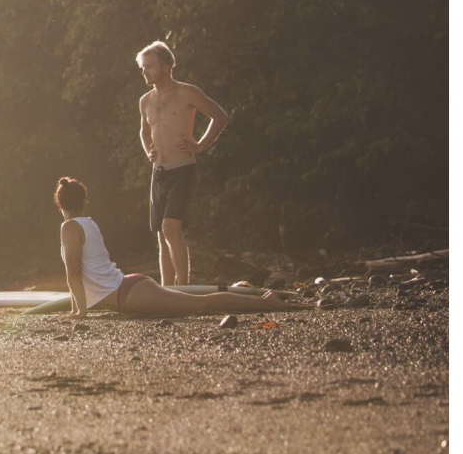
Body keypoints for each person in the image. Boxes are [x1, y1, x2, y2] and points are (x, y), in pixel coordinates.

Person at [54, 176, 306, 317]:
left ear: (59, 204)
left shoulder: (69, 228)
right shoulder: (89, 223)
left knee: (200, 305)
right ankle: (262, 300)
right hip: (129, 287)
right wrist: (79, 309)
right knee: (199, 302)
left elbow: (74, 273)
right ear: (83, 201)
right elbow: (83, 272)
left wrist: (81, 312)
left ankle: (265, 301)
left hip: (128, 293)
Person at [136, 40, 230, 288]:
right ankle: (167, 290)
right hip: (159, 172)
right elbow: (144, 132)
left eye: (149, 66)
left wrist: (200, 145)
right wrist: (149, 151)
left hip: (183, 169)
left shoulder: (187, 92)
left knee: (171, 229)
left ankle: (183, 288)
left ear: (166, 66)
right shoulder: (145, 100)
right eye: (143, 67)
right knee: (161, 235)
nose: (144, 71)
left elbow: (219, 116)